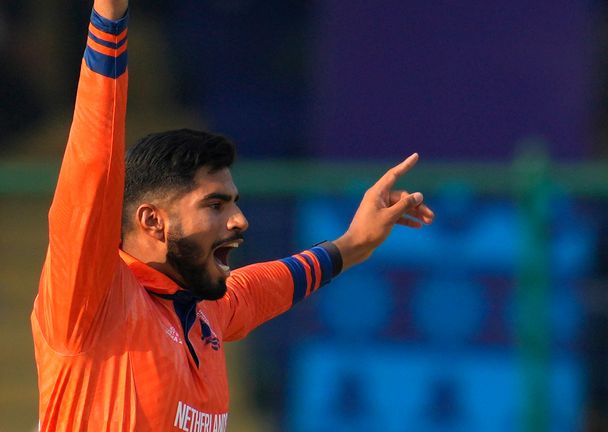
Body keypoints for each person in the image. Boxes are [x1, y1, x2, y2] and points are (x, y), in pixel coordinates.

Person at [31, 0, 434, 430]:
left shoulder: (207, 314)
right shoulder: (93, 299)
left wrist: (354, 244)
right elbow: (92, 166)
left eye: (235, 203)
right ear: (152, 221)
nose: (240, 220)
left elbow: (271, 284)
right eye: (215, 205)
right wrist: (109, 20)